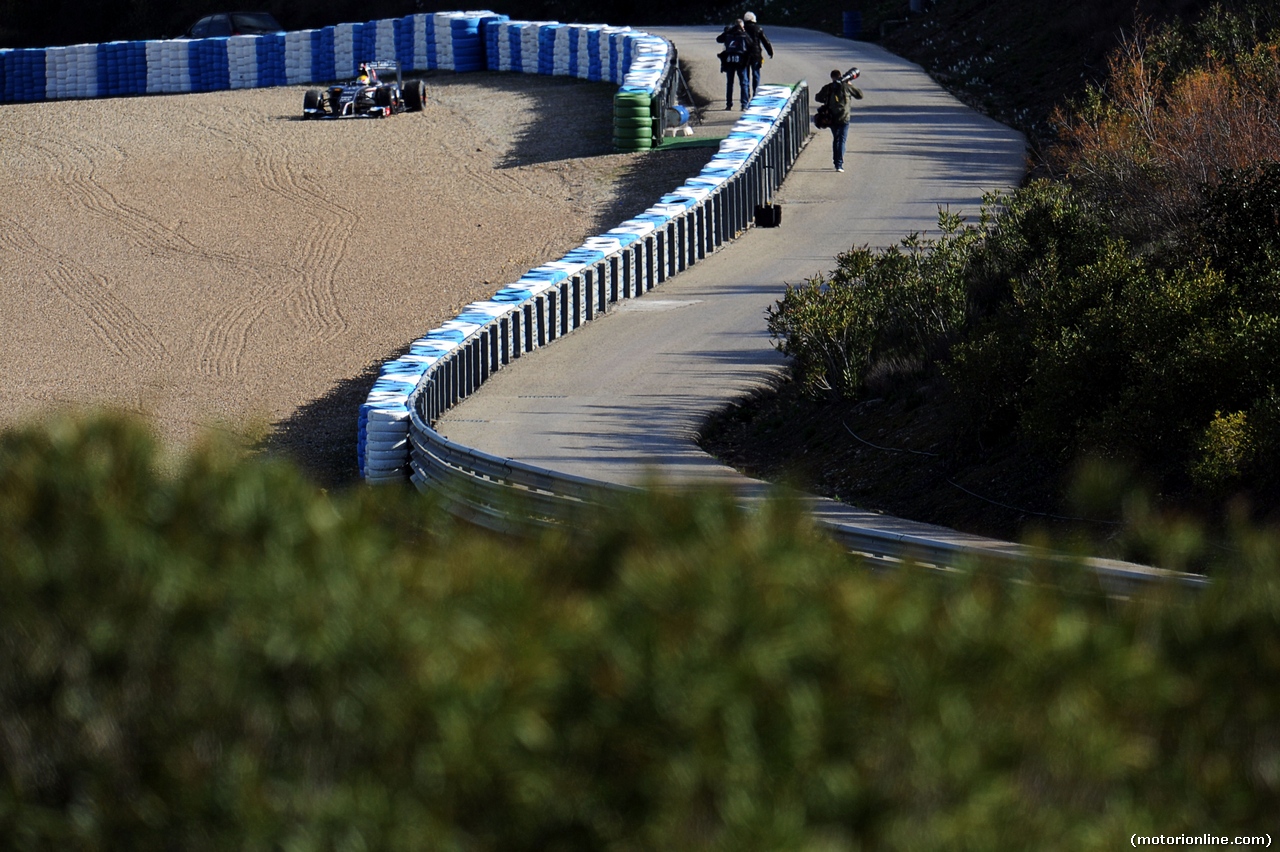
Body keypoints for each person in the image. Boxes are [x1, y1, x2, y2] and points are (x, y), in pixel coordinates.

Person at [814, 67, 863, 172]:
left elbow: (817, 98)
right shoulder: (846, 87)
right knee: (842, 140)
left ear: (832, 77)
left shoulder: (828, 87)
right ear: (841, 76)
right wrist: (850, 84)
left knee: (836, 139)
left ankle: (837, 163)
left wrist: (826, 99)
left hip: (831, 118)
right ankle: (839, 163)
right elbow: (860, 95)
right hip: (844, 117)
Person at [716, 19, 754, 110]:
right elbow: (751, 44)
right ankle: (744, 104)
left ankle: (729, 104)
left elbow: (718, 39)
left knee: (730, 83)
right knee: (743, 83)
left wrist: (727, 31)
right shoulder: (743, 35)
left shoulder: (729, 34)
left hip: (729, 61)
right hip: (741, 61)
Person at [742, 12, 774, 100]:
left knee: (746, 76)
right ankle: (755, 93)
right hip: (756, 54)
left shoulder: (742, 28)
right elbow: (765, 41)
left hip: (744, 55)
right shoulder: (758, 28)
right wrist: (770, 51)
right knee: (756, 74)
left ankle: (746, 94)